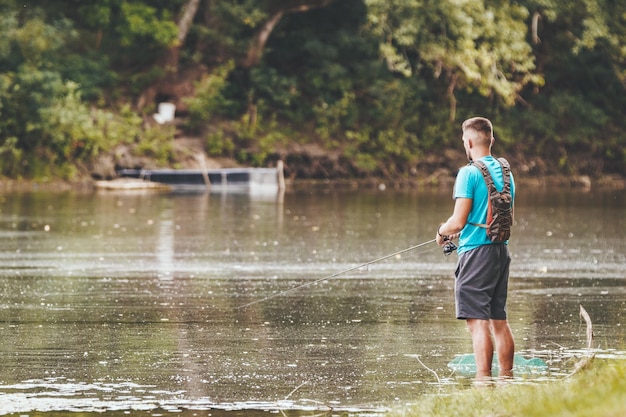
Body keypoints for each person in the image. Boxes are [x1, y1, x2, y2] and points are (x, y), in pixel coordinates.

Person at [435, 116, 516, 381]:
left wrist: (441, 231)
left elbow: (458, 221)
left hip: (476, 254)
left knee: (477, 323)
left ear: (468, 141)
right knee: (499, 322)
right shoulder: (506, 171)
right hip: (500, 251)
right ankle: (506, 378)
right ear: (491, 140)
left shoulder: (468, 173)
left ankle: (484, 383)